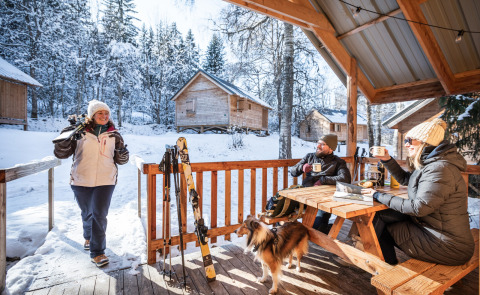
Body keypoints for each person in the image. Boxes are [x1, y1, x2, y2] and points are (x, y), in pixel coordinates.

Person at [362, 118, 474, 266]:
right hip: (433, 229)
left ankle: (384, 267)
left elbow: (418, 208)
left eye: (410, 140)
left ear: (425, 142)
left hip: (450, 246)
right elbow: (406, 179)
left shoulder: (440, 169)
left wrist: (377, 195)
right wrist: (387, 159)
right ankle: (381, 258)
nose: (406, 144)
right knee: (380, 216)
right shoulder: (431, 164)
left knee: (379, 229)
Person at [54, 100, 129, 267]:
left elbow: (121, 160)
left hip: (106, 180)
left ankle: (98, 252)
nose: (104, 116)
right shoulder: (79, 132)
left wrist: (123, 154)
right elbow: (61, 153)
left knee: (99, 215)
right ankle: (88, 236)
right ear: (92, 116)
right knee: (87, 212)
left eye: (106, 113)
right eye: (99, 113)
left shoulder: (114, 135)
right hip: (81, 178)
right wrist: (65, 139)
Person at [289, 134, 351, 233]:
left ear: (331, 148)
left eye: (322, 144)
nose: (318, 146)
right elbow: (292, 171)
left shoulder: (338, 162)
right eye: (318, 143)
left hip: (323, 201)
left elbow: (345, 178)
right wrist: (301, 168)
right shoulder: (309, 157)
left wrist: (323, 180)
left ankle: (328, 228)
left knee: (317, 228)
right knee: (280, 211)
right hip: (305, 197)